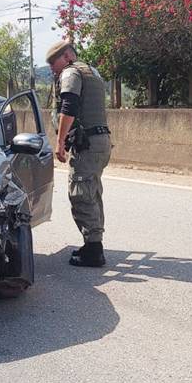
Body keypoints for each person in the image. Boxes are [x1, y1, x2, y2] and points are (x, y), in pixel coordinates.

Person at [47, 40, 112, 267]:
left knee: (81, 194)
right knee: (92, 192)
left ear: (66, 57)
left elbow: (69, 108)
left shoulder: (71, 73)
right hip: (101, 141)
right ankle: (93, 244)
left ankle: (94, 251)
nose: (52, 70)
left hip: (87, 144)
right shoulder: (92, 72)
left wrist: (60, 142)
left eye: (53, 64)